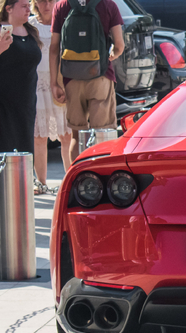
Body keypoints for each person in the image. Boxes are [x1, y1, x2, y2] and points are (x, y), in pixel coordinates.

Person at [50, 0, 124, 162]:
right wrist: (112, 55)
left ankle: (76, 180)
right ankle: (100, 180)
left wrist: (54, 83)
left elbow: (54, 47)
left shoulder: (62, 6)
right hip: (100, 76)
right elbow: (119, 45)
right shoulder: (108, 5)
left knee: (77, 136)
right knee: (103, 134)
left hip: (72, 78)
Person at [30, 0, 72, 192]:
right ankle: (41, 182)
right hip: (37, 84)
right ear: (35, 3)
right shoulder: (29, 26)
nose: (47, 4)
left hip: (60, 83)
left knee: (66, 134)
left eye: (51, 0)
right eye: (42, 0)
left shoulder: (63, 22)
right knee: (39, 136)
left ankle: (71, 180)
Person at [0, 0, 42, 156]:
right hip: (4, 105)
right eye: (23, 6)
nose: (28, 9)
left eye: (28, 6)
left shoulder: (31, 31)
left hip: (26, 104)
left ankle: (24, 180)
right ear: (8, 8)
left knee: (25, 151)